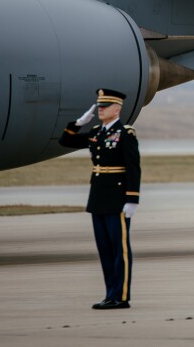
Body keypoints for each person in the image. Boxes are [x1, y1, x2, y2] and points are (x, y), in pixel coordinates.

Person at [59, 88, 141, 309]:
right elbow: (66, 140)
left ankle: (121, 296)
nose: (100, 110)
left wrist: (132, 199)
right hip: (98, 198)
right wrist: (78, 122)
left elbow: (133, 168)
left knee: (119, 250)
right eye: (99, 106)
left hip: (118, 199)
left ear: (117, 109)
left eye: (104, 106)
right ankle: (110, 294)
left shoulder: (125, 133)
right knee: (105, 250)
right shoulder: (96, 132)